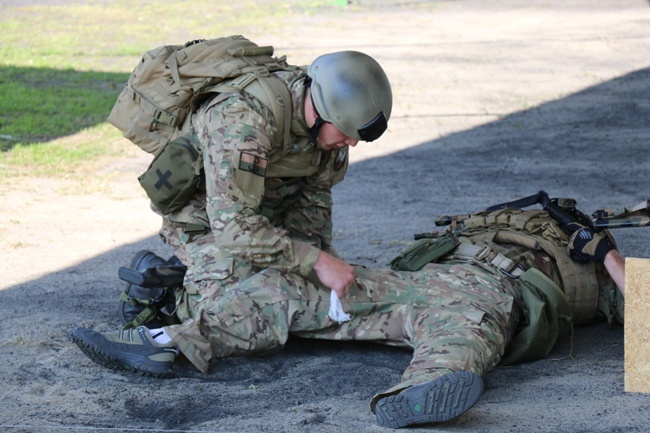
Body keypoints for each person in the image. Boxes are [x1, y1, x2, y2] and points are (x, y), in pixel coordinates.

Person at [72, 48, 625, 429]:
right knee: (249, 287)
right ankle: (170, 315)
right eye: (348, 134)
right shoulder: (242, 120)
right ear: (321, 110)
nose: (351, 147)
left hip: (280, 220)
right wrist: (311, 261)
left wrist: (321, 267)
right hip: (209, 219)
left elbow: (312, 208)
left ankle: (176, 302)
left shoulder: (328, 138)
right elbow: (236, 227)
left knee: (305, 291)